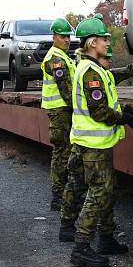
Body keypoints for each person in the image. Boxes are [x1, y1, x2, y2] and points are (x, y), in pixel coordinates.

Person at [68, 15, 133, 267]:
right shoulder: (91, 74)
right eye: (103, 39)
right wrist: (126, 117)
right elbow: (100, 112)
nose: (106, 43)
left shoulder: (97, 70)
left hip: (97, 143)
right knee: (99, 193)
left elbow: (121, 73)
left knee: (107, 191)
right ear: (92, 43)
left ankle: (106, 238)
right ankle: (81, 246)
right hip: (93, 144)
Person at [41, 18, 75, 212]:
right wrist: (79, 108)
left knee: (63, 152)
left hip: (61, 110)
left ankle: (60, 194)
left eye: (68, 36)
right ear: (54, 37)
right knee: (62, 152)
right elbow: (65, 90)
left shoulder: (62, 56)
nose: (67, 40)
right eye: (63, 37)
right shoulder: (56, 59)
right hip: (60, 110)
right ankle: (57, 196)